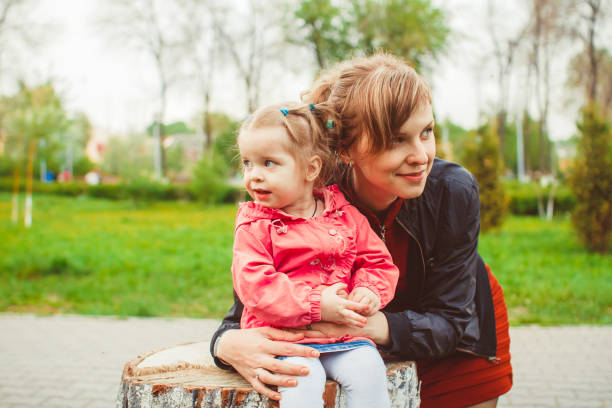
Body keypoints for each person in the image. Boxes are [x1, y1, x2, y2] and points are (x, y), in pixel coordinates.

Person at [211, 54, 513, 408]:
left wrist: (370, 326)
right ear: (346, 149)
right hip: (351, 343)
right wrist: (225, 345)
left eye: (426, 132)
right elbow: (251, 297)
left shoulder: (452, 190)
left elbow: (450, 317)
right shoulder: (310, 191)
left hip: (454, 335)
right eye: (397, 140)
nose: (421, 155)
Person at [231, 101, 399, 407]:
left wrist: (367, 291)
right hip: (283, 338)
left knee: (369, 371)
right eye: (247, 163)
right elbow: (255, 285)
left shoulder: (343, 214)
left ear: (311, 168)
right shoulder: (255, 225)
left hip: (343, 335)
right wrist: (317, 304)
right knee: (301, 379)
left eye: (269, 163)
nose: (254, 175)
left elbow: (377, 261)